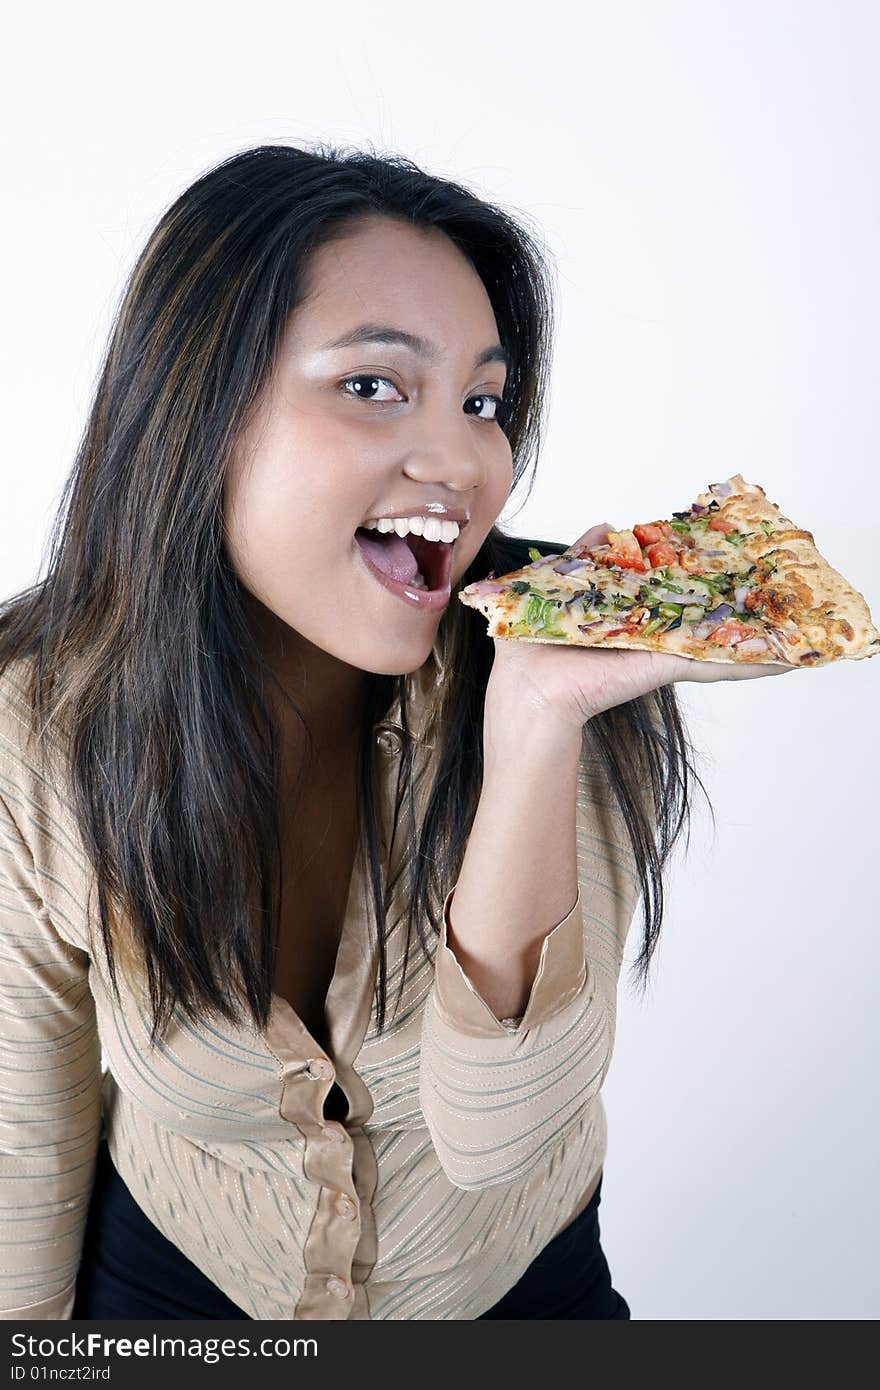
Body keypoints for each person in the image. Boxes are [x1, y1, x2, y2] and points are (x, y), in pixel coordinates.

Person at [0, 142, 794, 1323]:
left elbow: (496, 1133)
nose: (463, 460)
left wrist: (530, 723)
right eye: (373, 385)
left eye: (483, 401)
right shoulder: (39, 727)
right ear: (194, 413)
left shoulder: (572, 659)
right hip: (169, 1290)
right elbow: (23, 1142)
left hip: (516, 1293)